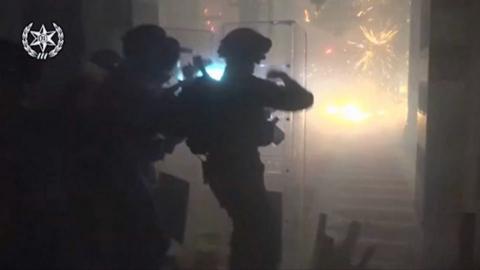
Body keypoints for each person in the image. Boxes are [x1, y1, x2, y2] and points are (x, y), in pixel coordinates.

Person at [180, 28, 314, 270]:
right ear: (251, 58)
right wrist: (284, 77)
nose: (260, 61)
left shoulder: (208, 86)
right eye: (257, 56)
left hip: (218, 167)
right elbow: (303, 100)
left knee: (247, 226)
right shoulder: (252, 88)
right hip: (241, 166)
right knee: (257, 228)